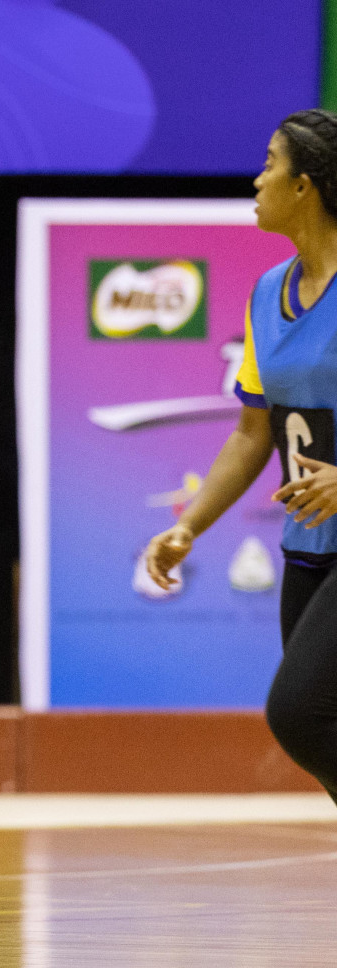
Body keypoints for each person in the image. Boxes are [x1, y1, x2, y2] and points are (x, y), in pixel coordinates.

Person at [147, 109, 337, 807]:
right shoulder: (267, 293)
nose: (255, 180)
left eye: (268, 163)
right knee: (322, 725)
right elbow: (253, 432)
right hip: (309, 549)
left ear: (305, 186)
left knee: (298, 714)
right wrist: (188, 526)